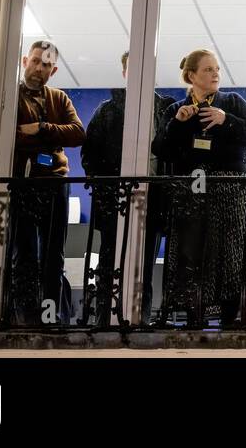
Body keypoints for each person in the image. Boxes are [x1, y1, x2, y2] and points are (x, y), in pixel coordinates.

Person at [151, 49, 246, 327]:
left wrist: (226, 120)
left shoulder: (232, 102)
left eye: (217, 69)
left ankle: (230, 313)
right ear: (191, 76)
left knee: (232, 250)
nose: (215, 75)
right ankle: (192, 313)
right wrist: (178, 124)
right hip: (192, 191)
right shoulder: (176, 110)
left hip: (231, 188)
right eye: (208, 70)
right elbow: (162, 149)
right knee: (192, 250)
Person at [80, 51, 174, 326]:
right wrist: (106, 187)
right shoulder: (107, 110)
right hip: (115, 200)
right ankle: (104, 319)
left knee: (144, 265)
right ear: (125, 73)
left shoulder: (166, 111)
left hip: (154, 200)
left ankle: (139, 320)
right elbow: (90, 154)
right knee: (110, 261)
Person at [9, 40, 85, 326]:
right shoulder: (11, 95)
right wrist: (50, 138)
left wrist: (42, 129)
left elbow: (77, 134)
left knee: (54, 256)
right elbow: (12, 135)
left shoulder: (59, 98)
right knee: (24, 254)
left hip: (55, 184)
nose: (39, 68)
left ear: (52, 72)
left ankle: (54, 318)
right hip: (24, 182)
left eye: (46, 65)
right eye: (36, 61)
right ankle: (25, 319)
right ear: (25, 60)